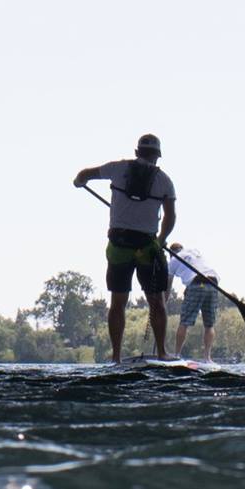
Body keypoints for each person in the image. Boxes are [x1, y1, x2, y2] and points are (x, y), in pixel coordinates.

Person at [73, 133, 177, 359]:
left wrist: (79, 181)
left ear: (137, 152)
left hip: (119, 245)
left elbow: (84, 175)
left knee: (118, 302)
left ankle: (116, 357)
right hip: (148, 248)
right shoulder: (165, 181)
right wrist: (160, 241)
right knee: (156, 301)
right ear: (157, 157)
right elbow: (170, 217)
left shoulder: (117, 168)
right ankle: (162, 353)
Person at [166, 241, 221, 362]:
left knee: (184, 322)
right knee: (209, 324)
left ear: (171, 254)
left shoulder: (172, 261)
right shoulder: (194, 252)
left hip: (197, 283)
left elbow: (168, 286)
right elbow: (196, 270)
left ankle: (177, 355)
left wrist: (163, 301)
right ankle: (207, 358)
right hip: (213, 283)